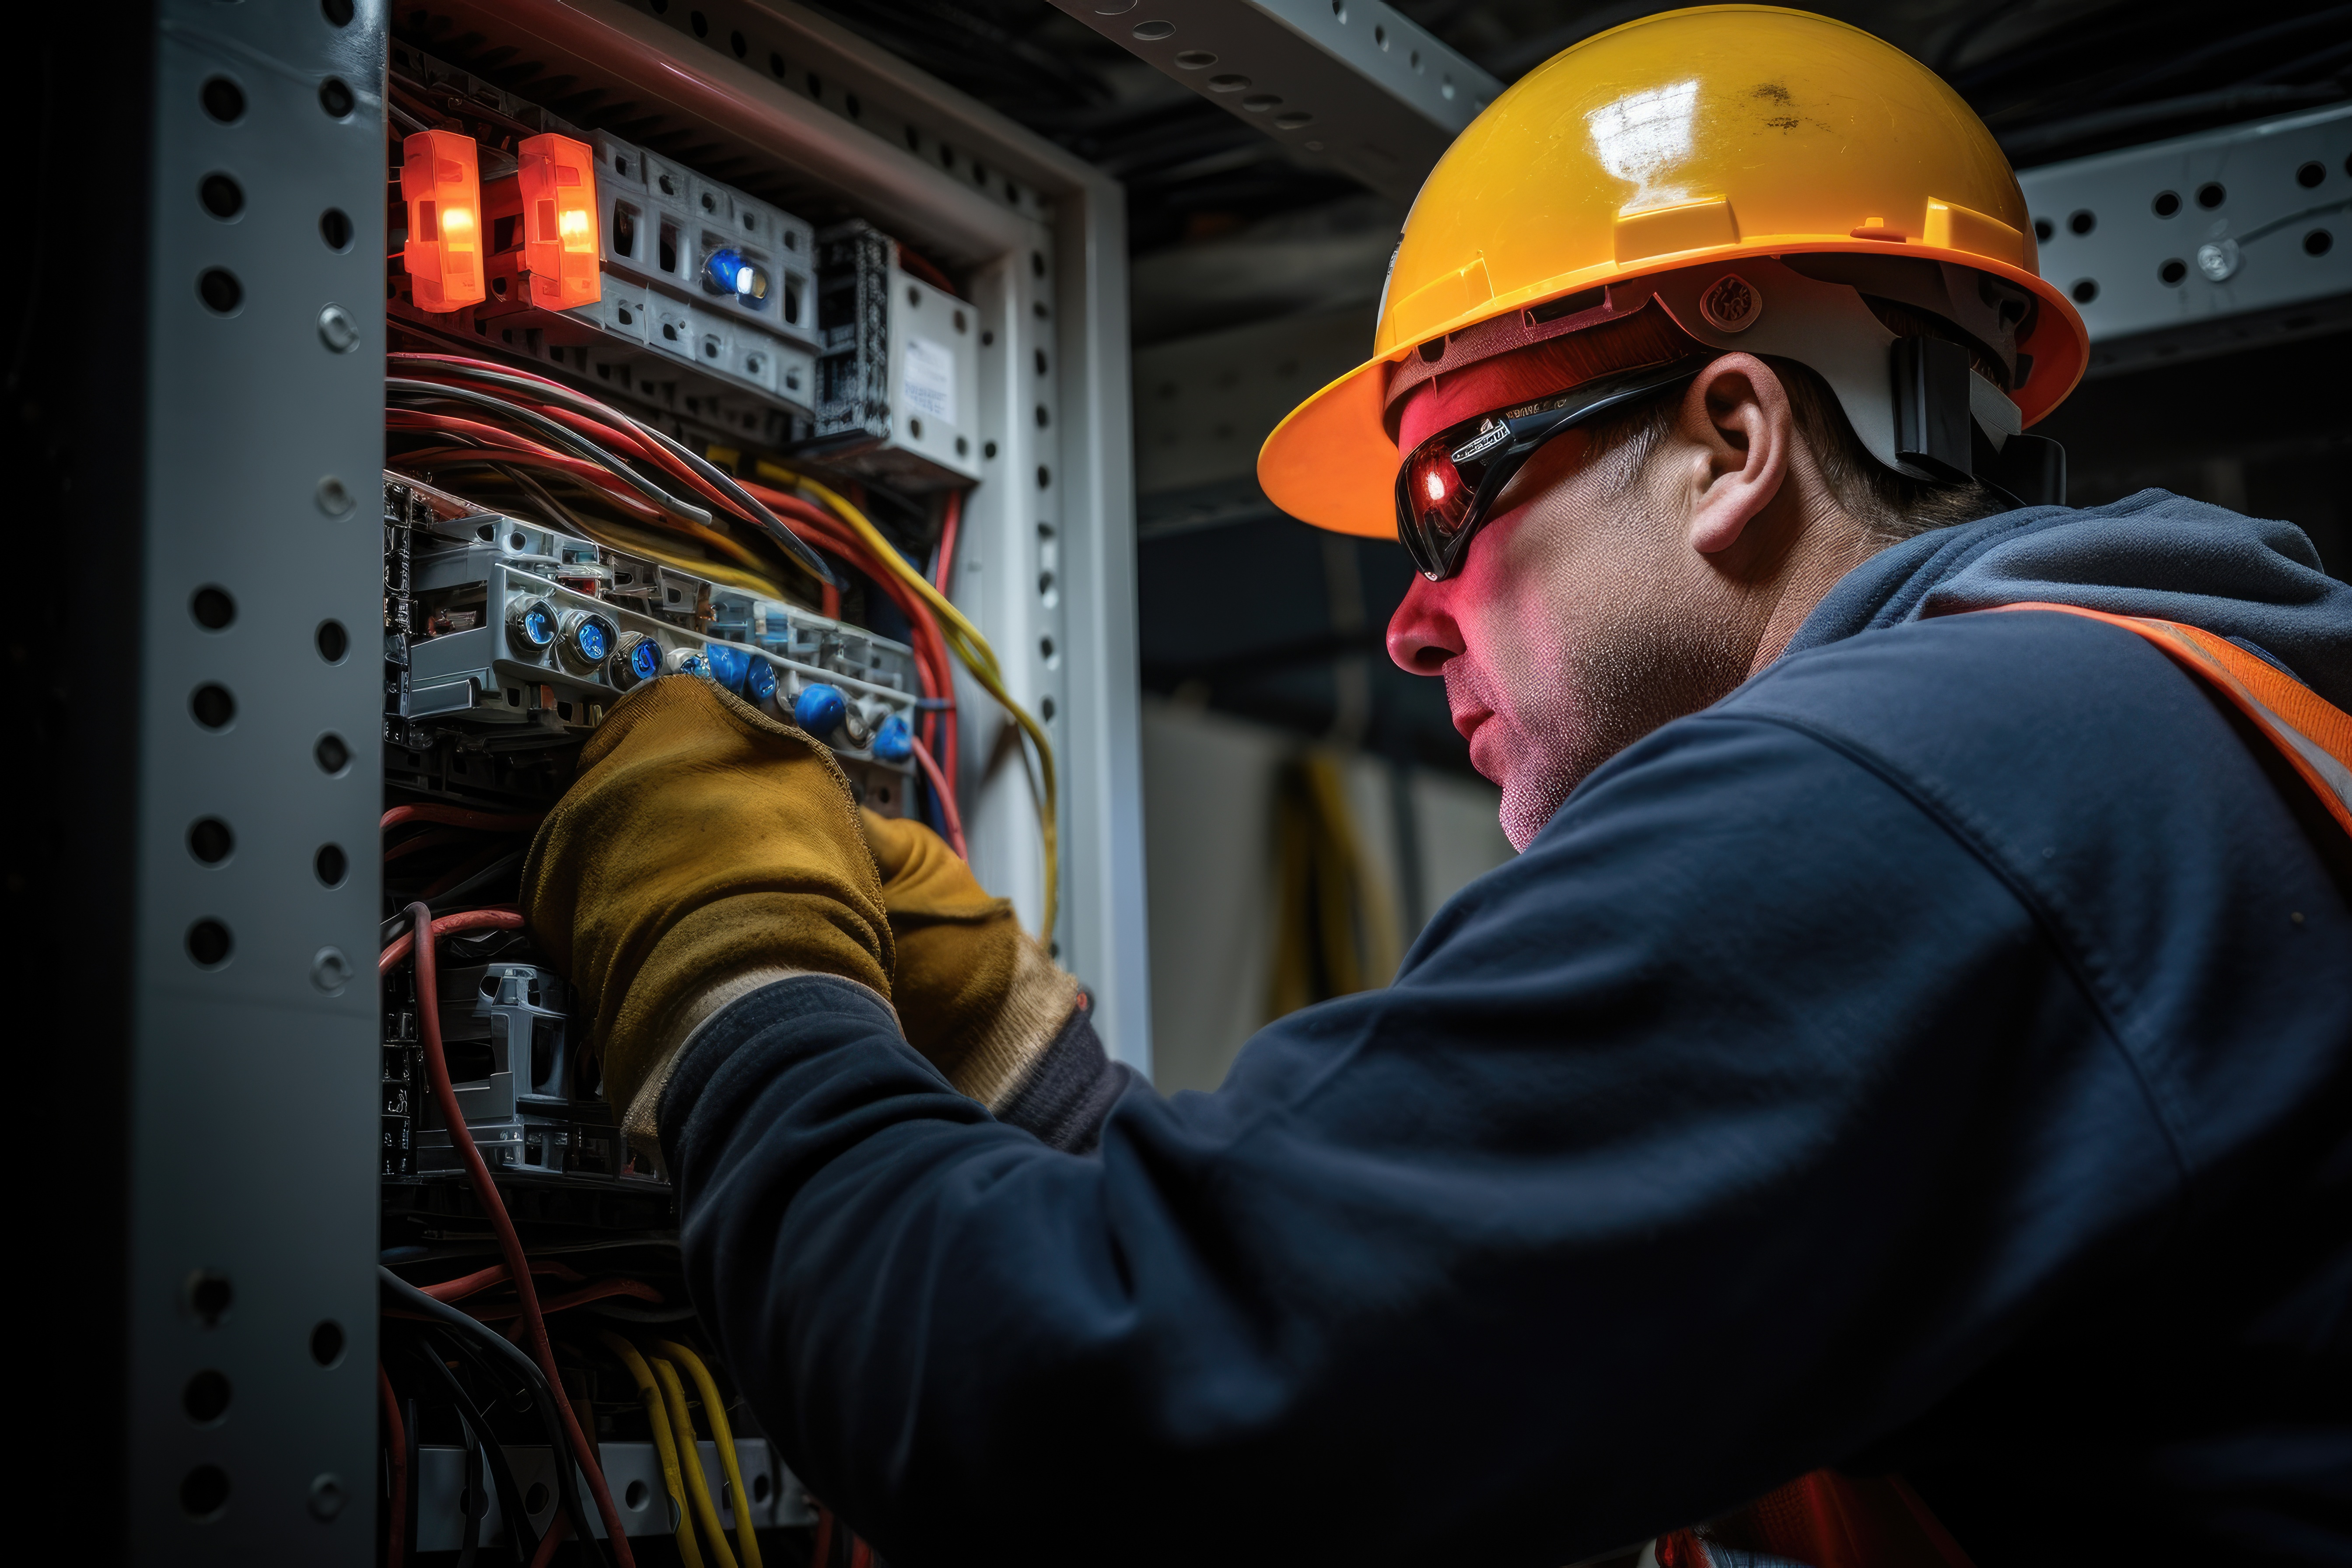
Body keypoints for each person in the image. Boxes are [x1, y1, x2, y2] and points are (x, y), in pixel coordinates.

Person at [522, 9, 2352, 1564]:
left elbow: (1081, 1402)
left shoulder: (1914, 792)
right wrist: (1028, 1066)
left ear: (1733, 441)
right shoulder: (2159, 722)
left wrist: (736, 962)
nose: (1413, 620)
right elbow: (1474, 1325)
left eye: (1449, 496)